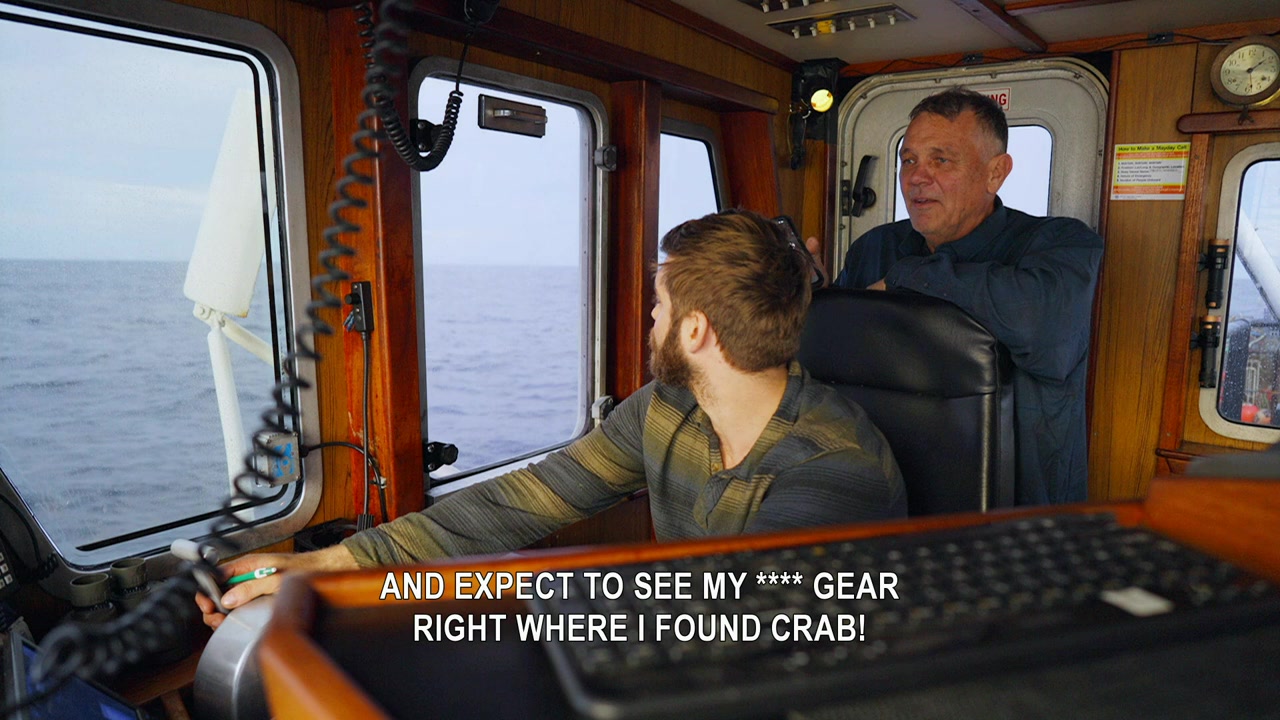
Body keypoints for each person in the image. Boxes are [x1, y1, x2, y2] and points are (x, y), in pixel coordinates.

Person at [199, 209, 905, 628]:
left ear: (695, 332)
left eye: (660, 305)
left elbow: (725, 621)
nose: (650, 318)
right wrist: (325, 565)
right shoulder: (666, 408)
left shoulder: (837, 469)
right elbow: (528, 497)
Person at [816, 87, 1103, 506]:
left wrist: (905, 278)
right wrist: (813, 302)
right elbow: (836, 358)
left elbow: (1039, 322)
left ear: (995, 173)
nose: (916, 177)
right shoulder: (874, 248)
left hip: (1017, 511)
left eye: (941, 160)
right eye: (908, 160)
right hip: (887, 490)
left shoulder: (1061, 244)